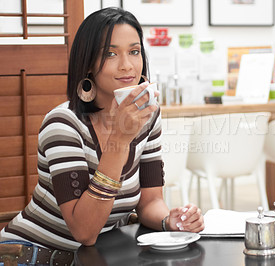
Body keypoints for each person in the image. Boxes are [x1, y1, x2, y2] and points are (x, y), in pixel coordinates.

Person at [0, 6, 204, 262]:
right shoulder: (63, 124)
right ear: (87, 65)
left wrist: (168, 221)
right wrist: (119, 139)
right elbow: (84, 231)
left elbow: (150, 201)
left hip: (95, 257)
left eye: (134, 51)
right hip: (31, 255)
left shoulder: (147, 115)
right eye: (110, 54)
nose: (127, 65)